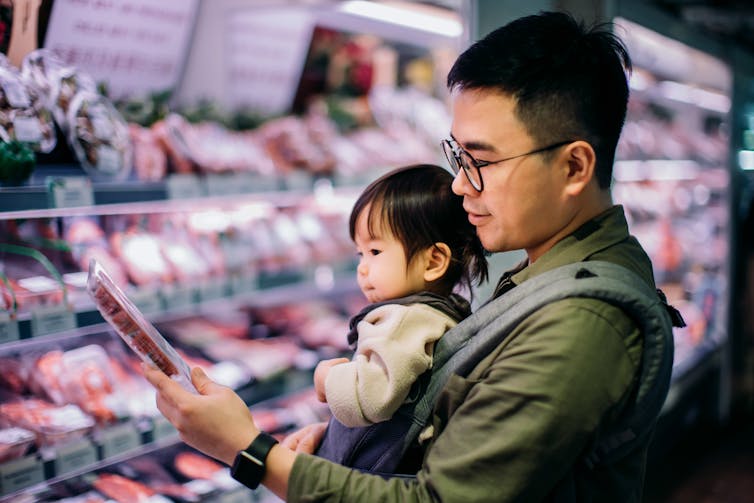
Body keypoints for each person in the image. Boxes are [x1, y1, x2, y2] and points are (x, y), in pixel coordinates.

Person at [144, 11, 675, 502]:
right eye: (457, 157)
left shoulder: (581, 324)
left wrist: (251, 451)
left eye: (482, 161)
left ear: (574, 168)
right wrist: (343, 445)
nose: (462, 186)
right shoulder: (552, 268)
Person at [311, 163, 487, 473]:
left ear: (433, 261)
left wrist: (327, 378)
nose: (362, 268)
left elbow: (369, 399)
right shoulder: (433, 312)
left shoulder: (407, 320)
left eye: (375, 252)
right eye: (359, 254)